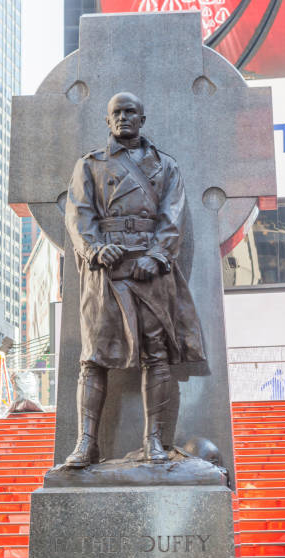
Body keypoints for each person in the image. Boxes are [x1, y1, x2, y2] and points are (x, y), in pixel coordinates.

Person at [64, 92, 205, 467]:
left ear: (143, 119)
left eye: (130, 112)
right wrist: (94, 249)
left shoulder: (165, 166)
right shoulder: (89, 165)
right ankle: (86, 444)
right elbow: (78, 215)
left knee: (156, 355)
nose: (123, 117)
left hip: (149, 269)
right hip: (105, 270)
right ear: (107, 120)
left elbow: (173, 216)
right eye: (117, 113)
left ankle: (155, 442)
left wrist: (158, 254)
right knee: (93, 358)